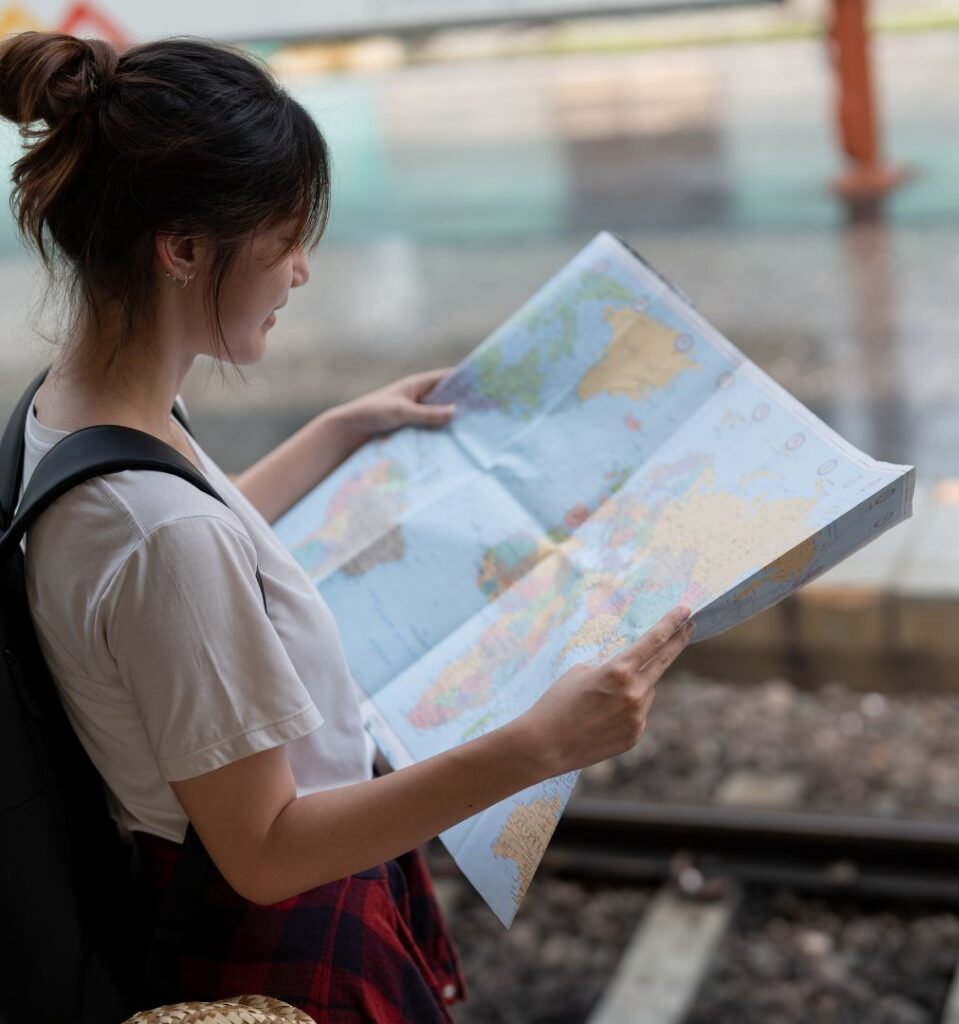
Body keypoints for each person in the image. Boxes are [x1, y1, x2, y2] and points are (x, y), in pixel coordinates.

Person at [0, 29, 696, 1023]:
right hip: (268, 949)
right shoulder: (158, 537)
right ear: (184, 247)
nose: (302, 271)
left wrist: (337, 430)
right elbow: (266, 851)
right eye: (286, 238)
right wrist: (537, 745)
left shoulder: (71, 415)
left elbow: (193, 526)